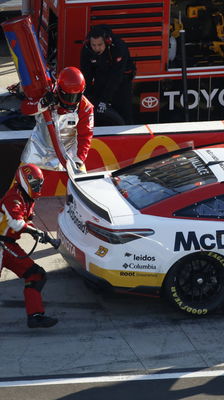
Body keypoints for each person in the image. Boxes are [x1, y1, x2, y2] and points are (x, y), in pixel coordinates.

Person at [0, 164, 58, 328]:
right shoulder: (14, 198)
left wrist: (38, 233)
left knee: (36, 275)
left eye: (39, 183)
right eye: (35, 183)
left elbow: (27, 221)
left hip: (8, 246)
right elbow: (17, 223)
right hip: (2, 244)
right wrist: (36, 233)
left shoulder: (28, 198)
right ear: (25, 181)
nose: (38, 186)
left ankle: (35, 316)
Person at [20, 67, 93, 172]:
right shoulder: (46, 93)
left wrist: (79, 159)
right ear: (60, 90)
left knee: (79, 183)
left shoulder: (86, 107)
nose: (72, 101)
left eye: (76, 96)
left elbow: (85, 136)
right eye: (69, 96)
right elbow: (25, 108)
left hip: (67, 159)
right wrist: (42, 103)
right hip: (36, 154)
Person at [80, 25, 136, 125]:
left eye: (100, 45)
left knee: (124, 112)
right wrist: (84, 95)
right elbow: (86, 74)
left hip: (122, 80)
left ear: (106, 42)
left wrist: (104, 100)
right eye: (94, 45)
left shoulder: (118, 47)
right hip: (101, 76)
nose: (96, 48)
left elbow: (116, 77)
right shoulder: (87, 48)